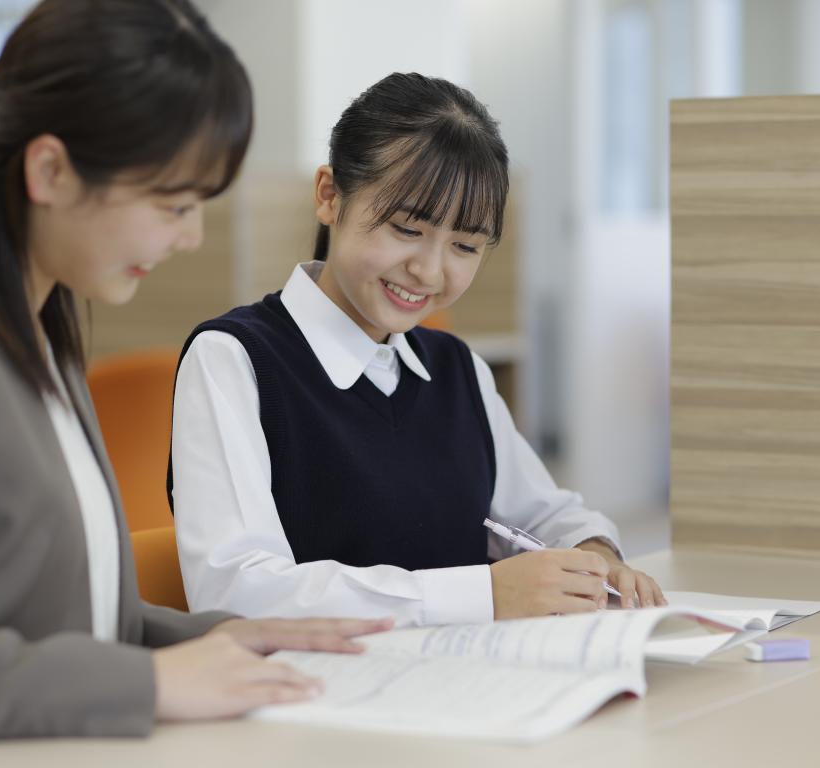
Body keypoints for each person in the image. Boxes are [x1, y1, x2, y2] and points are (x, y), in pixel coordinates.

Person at [0, 0, 390, 742]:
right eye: (172, 204)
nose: (191, 237)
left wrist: (222, 639)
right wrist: (148, 681)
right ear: (50, 169)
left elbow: (63, 613)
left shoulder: (35, 319)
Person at [170, 72, 667, 627]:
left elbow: (548, 515)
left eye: (464, 245)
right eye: (407, 229)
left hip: (469, 689)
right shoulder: (234, 360)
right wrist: (483, 594)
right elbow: (235, 591)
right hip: (320, 696)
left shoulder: (457, 368)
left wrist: (595, 556)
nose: (430, 270)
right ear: (330, 196)